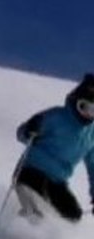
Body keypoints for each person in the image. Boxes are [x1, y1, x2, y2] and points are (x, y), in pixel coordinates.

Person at [14, 73, 94, 223]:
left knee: (73, 216)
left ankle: (50, 237)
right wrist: (30, 130)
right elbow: (21, 134)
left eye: (93, 111)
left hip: (57, 182)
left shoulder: (92, 135)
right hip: (31, 171)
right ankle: (21, 222)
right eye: (84, 107)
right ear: (76, 100)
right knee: (33, 197)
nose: (88, 115)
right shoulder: (57, 116)